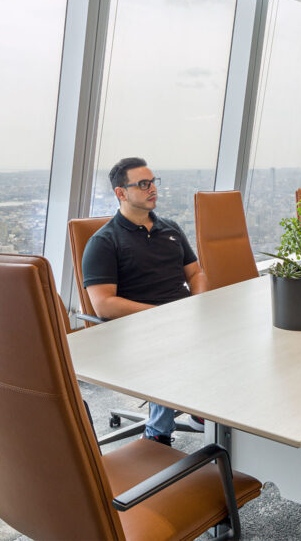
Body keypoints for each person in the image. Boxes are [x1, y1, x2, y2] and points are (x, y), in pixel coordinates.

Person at [81, 157, 209, 446]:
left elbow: (196, 272)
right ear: (121, 193)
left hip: (183, 319)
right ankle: (157, 432)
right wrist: (160, 316)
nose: (152, 189)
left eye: (153, 182)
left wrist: (199, 305)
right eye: (142, 184)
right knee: (171, 348)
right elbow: (104, 304)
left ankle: (206, 414)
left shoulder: (171, 229)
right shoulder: (104, 242)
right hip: (136, 332)